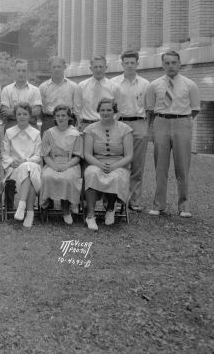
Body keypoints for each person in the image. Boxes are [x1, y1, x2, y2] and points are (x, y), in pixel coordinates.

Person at [145, 51, 200, 218]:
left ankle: (184, 206)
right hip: (161, 122)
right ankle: (158, 205)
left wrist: (180, 119)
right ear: (162, 65)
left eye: (174, 62)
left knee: (182, 166)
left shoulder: (190, 85)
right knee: (160, 166)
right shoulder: (154, 85)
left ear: (179, 64)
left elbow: (195, 109)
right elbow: (149, 109)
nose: (170, 66)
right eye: (167, 63)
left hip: (182, 122)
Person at [83, 99, 133, 231]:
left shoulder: (125, 129)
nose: (105, 113)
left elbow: (129, 155)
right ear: (98, 111)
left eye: (109, 110)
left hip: (118, 164)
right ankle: (91, 215)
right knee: (91, 173)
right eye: (103, 110)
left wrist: (114, 166)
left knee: (116, 176)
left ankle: (111, 208)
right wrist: (99, 164)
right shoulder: (90, 129)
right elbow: (87, 154)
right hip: (97, 162)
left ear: (114, 111)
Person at [110, 50, 150, 212]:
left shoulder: (145, 84)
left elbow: (149, 107)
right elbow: (110, 106)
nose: (129, 65)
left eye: (132, 63)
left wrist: (145, 126)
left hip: (139, 123)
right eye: (126, 63)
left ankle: (134, 199)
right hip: (120, 124)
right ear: (122, 64)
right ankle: (119, 198)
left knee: (137, 164)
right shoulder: (114, 83)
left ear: (137, 64)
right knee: (119, 162)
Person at [40, 104, 83, 225]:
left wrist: (66, 166)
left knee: (67, 177)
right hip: (53, 162)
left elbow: (78, 156)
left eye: (63, 115)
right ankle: (45, 205)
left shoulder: (75, 134)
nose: (61, 118)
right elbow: (45, 155)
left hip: (71, 164)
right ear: (54, 117)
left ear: (69, 117)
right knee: (46, 176)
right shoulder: (49, 133)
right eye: (58, 116)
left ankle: (66, 208)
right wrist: (53, 166)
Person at [2, 102, 42, 228]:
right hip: (14, 168)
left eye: (25, 114)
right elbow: (4, 152)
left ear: (30, 116)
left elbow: (38, 155)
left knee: (28, 167)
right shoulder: (9, 132)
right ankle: (29, 212)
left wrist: (26, 161)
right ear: (15, 116)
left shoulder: (36, 133)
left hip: (32, 165)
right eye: (19, 114)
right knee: (28, 173)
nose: (22, 117)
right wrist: (11, 162)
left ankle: (21, 204)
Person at [74, 56, 119, 131]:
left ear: (106, 67)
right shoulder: (81, 86)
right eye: (95, 67)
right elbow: (77, 109)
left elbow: (118, 109)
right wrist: (79, 124)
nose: (98, 70)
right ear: (91, 68)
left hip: (107, 126)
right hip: (86, 125)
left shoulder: (114, 87)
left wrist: (112, 124)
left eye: (101, 67)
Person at [38, 56, 78, 134]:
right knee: (48, 145)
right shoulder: (42, 87)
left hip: (68, 122)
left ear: (64, 67)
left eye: (59, 66)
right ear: (50, 68)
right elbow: (40, 108)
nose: (56, 69)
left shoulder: (73, 86)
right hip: (49, 122)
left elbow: (76, 108)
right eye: (54, 67)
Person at [1, 59, 42, 130]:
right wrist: (27, 112)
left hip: (30, 125)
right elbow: (5, 111)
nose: (21, 73)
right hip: (12, 125)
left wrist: (14, 111)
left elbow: (37, 111)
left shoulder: (35, 90)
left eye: (24, 71)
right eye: (18, 70)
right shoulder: (6, 90)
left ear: (28, 72)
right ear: (14, 72)